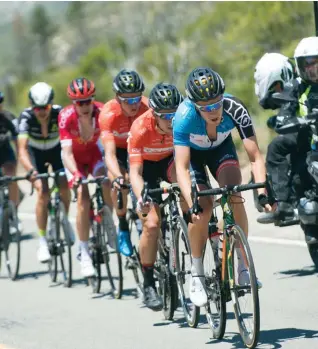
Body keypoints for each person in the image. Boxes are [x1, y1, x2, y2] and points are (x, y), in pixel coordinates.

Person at [173, 67, 268, 307]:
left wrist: (262, 192)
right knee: (202, 209)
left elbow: (255, 156)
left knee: (233, 192)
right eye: (205, 107)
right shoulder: (184, 117)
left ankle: (243, 266)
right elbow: (181, 168)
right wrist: (191, 199)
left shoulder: (235, 108)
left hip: (220, 150)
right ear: (195, 105)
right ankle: (196, 274)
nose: (213, 110)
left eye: (216, 103)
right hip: (193, 158)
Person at [128, 82, 184, 311]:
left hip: (170, 162)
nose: (171, 121)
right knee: (151, 224)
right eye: (165, 116)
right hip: (147, 170)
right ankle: (149, 282)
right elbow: (135, 172)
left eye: (174, 114)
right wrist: (141, 196)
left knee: (184, 184)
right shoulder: (140, 128)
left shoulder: (182, 121)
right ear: (154, 113)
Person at [59, 77, 113, 277]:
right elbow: (66, 153)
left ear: (93, 100)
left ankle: (107, 221)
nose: (84, 106)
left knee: (107, 181)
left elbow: (107, 148)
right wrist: (76, 175)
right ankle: (83, 250)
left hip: (94, 156)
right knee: (82, 195)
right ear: (73, 104)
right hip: (74, 160)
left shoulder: (102, 113)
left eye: (87, 101)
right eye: (79, 103)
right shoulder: (66, 117)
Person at [18, 82, 74, 263]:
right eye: (37, 108)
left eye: (46, 107)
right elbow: (22, 150)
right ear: (32, 106)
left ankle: (64, 219)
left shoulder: (60, 113)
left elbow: (70, 142)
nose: (41, 112)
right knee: (43, 192)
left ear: (52, 103)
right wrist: (31, 170)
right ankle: (42, 240)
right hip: (36, 154)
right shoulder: (26, 117)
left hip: (56, 150)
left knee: (64, 184)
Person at [99, 69, 148, 257]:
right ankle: (123, 228)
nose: (134, 104)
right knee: (121, 184)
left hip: (139, 149)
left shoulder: (147, 107)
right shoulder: (108, 113)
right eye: (128, 100)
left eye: (137, 98)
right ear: (118, 98)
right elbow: (109, 155)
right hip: (118, 151)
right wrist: (118, 177)